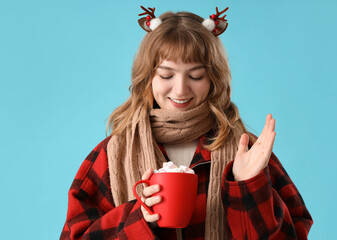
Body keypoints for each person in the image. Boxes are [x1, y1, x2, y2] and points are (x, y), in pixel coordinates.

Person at [60, 6, 313, 240]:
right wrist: (139, 217)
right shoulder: (112, 154)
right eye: (166, 75)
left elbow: (294, 234)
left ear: (213, 79)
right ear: (148, 77)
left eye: (196, 75)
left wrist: (247, 187)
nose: (180, 89)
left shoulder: (246, 151)